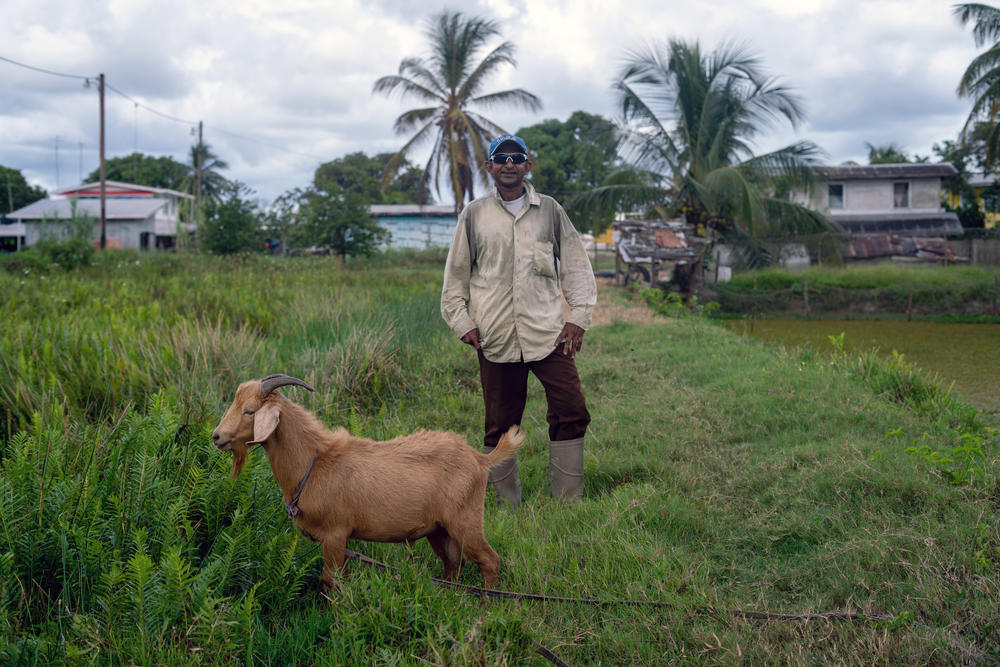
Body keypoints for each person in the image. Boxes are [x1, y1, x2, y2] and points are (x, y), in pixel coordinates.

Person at [441, 134, 597, 506]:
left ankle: (568, 499)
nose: (509, 163)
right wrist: (463, 324)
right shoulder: (474, 215)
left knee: (572, 409)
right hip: (495, 338)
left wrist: (577, 317)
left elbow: (575, 265)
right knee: (500, 424)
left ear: (527, 166)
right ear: (490, 168)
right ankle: (506, 504)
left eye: (517, 157)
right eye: (501, 157)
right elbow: (455, 277)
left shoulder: (550, 211)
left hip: (549, 335)